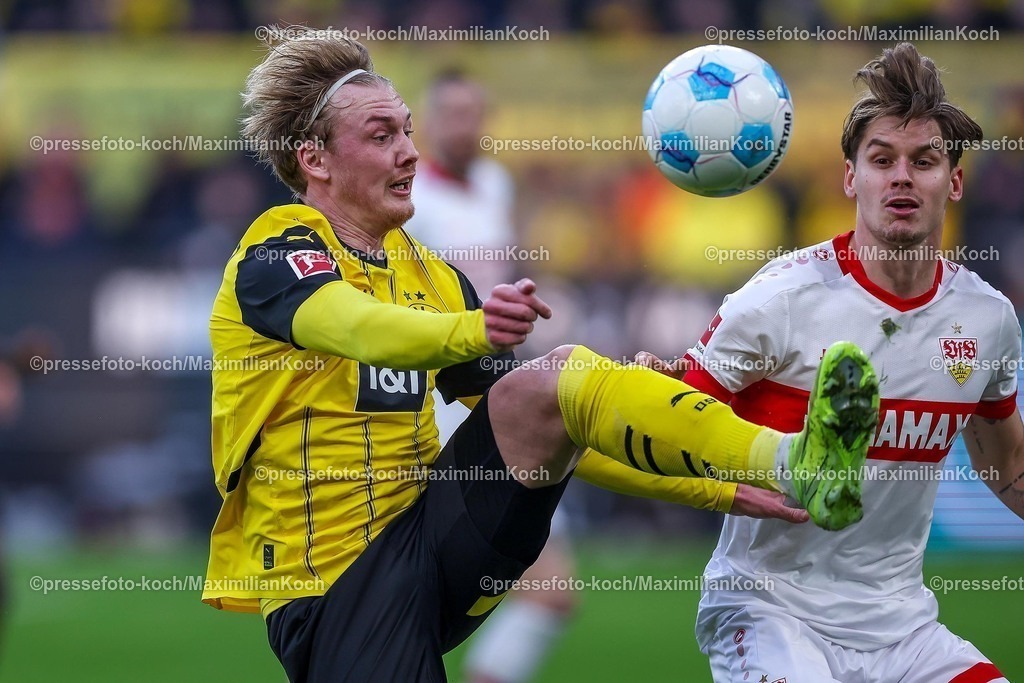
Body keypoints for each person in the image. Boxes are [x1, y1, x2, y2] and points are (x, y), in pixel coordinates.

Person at [201, 29, 880, 682]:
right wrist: (474, 329)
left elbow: (560, 437)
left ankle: (791, 459)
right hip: (331, 583)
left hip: (433, 538)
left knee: (556, 383)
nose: (410, 151)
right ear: (315, 159)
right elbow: (357, 328)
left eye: (408, 129)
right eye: (383, 136)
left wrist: (721, 489)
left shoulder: (434, 278)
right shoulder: (275, 254)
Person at [649, 43, 1021, 683]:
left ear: (954, 181)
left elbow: (1007, 464)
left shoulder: (987, 321)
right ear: (851, 177)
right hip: (768, 611)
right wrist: (659, 396)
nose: (902, 177)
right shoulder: (781, 297)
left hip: (902, 626)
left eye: (924, 161)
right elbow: (676, 421)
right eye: (882, 160)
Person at [404, 70, 573, 683]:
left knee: (533, 593)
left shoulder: (494, 183)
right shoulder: (410, 198)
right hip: (449, 402)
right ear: (425, 122)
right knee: (544, 591)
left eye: (472, 112)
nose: (463, 125)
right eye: (450, 113)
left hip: (502, 386)